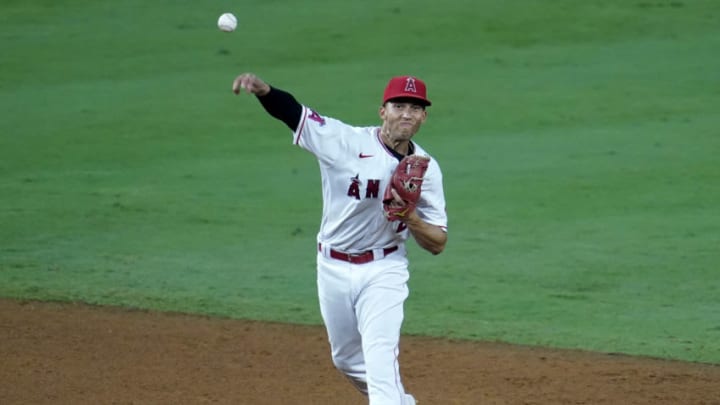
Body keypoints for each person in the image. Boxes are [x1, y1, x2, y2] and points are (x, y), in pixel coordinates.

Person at [232, 73, 448, 405]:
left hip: (384, 269)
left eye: (415, 108)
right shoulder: (345, 141)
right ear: (383, 111)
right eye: (399, 105)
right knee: (346, 360)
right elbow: (295, 114)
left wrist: (410, 218)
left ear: (424, 116)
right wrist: (264, 91)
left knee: (379, 365)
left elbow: (438, 242)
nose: (407, 113)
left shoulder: (426, 169)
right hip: (332, 266)